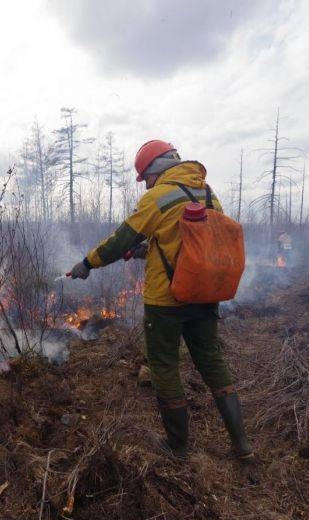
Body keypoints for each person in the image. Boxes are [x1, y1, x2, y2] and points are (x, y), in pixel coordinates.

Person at [69, 140, 253, 460]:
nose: (146, 185)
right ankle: (242, 445)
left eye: (145, 179)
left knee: (165, 367)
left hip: (166, 304)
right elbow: (192, 245)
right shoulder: (209, 194)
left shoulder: (157, 198)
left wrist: (87, 264)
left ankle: (178, 447)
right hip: (205, 296)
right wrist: (147, 250)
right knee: (213, 363)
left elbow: (119, 240)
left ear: (154, 169)